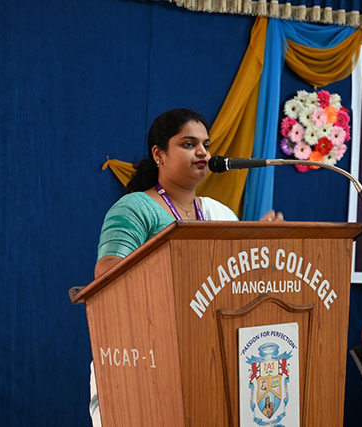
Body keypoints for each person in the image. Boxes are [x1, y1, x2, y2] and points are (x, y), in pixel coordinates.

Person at [89, 108, 283, 426]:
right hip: (146, 358)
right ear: (159, 154)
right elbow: (108, 271)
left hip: (207, 358)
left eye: (206, 144)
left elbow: (238, 285)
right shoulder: (135, 207)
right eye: (189, 144)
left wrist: (261, 249)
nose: (203, 152)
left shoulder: (221, 214)